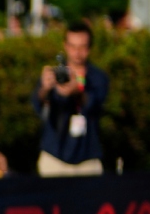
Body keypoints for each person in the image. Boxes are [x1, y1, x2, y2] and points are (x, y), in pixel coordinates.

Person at [33, 21, 109, 176]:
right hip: (54, 156)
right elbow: (37, 104)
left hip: (86, 157)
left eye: (82, 47)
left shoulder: (98, 77)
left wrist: (77, 92)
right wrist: (45, 88)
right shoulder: (55, 74)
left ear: (89, 48)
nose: (77, 53)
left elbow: (95, 104)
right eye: (73, 47)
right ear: (65, 46)